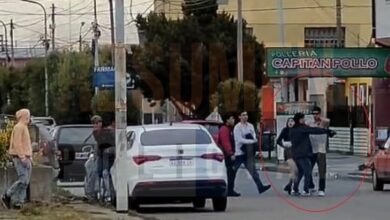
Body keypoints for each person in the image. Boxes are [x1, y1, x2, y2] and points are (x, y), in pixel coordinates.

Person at [290, 112, 336, 197]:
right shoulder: (302, 128)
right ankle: (305, 190)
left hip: (295, 154)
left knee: (300, 172)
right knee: (307, 171)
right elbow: (314, 130)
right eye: (303, 118)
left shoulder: (293, 129)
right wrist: (327, 131)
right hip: (303, 154)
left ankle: (295, 189)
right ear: (300, 120)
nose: (304, 120)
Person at [233, 111, 271, 194]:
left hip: (248, 152)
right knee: (233, 171)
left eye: (246, 115)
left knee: (253, 171)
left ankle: (260, 187)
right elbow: (239, 139)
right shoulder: (237, 127)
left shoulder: (250, 126)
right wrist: (251, 141)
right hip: (239, 152)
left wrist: (252, 140)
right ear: (239, 117)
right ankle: (229, 189)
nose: (245, 116)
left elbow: (254, 137)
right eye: (243, 115)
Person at [2, 109, 32, 209]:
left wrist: (29, 157)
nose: (29, 117)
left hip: (25, 157)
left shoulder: (24, 127)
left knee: (26, 181)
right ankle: (7, 195)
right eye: (27, 115)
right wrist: (23, 157)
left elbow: (25, 143)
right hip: (20, 158)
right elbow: (17, 143)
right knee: (23, 180)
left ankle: (19, 202)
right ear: (23, 116)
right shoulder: (19, 127)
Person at [308, 106, 330, 197]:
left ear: (320, 114)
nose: (315, 115)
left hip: (321, 149)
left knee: (322, 170)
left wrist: (319, 119)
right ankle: (310, 185)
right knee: (308, 169)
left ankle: (321, 189)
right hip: (311, 149)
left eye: (317, 113)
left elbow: (327, 121)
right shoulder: (310, 123)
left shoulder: (323, 123)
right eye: (313, 114)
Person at [218, 113, 240, 197]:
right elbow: (225, 143)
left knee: (232, 172)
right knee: (230, 172)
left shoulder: (230, 129)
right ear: (227, 120)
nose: (233, 120)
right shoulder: (224, 129)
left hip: (229, 154)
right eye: (232, 118)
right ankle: (229, 190)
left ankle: (230, 189)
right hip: (226, 155)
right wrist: (230, 153)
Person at [276, 117, 298, 195]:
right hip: (288, 150)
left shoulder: (296, 130)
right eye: (289, 121)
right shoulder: (285, 130)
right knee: (294, 169)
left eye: (292, 121)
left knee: (294, 170)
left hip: (296, 151)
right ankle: (293, 187)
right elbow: (278, 140)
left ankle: (290, 185)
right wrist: (284, 145)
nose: (290, 123)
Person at [84, 115, 103, 202]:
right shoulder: (94, 133)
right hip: (94, 156)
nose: (95, 125)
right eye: (94, 124)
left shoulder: (102, 133)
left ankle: (92, 193)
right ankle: (90, 193)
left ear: (100, 123)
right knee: (89, 169)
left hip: (101, 156)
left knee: (94, 173)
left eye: (97, 123)